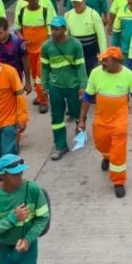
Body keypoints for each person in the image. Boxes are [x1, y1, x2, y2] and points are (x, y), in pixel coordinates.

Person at [77, 47, 132, 198]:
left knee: (118, 152)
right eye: (101, 60)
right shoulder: (96, 73)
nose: (102, 63)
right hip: (101, 120)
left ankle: (118, 181)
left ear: (116, 61)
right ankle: (106, 156)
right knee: (101, 144)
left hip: (120, 122)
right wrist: (82, 119)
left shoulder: (128, 76)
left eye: (106, 60)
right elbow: (87, 97)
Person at [40, 15, 87, 160]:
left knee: (76, 111)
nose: (54, 32)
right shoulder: (46, 47)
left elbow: (80, 66)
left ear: (64, 29)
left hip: (73, 86)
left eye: (57, 29)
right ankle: (61, 145)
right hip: (55, 87)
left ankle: (80, 132)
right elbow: (45, 68)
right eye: (52, 29)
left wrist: (83, 85)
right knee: (57, 117)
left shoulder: (75, 45)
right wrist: (44, 86)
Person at [14, 0, 53, 113]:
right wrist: (22, 39)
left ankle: (43, 101)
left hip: (42, 49)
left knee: (40, 75)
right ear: (27, 0)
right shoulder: (22, 12)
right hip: (28, 51)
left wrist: (46, 46)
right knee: (33, 73)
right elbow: (17, 29)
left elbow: (49, 32)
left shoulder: (45, 12)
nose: (34, 1)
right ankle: (40, 95)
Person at [64, 0, 107, 75]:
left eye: (79, 2)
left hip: (91, 52)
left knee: (91, 74)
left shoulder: (93, 14)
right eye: (74, 2)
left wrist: (103, 57)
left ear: (84, 1)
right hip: (75, 52)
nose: (76, 4)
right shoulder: (67, 15)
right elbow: (65, 37)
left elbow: (101, 37)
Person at [0, 17, 31, 91]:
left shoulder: (18, 42)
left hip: (14, 80)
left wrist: (28, 83)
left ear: (7, 30)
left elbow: (25, 63)